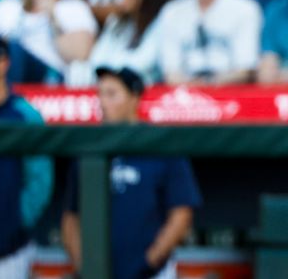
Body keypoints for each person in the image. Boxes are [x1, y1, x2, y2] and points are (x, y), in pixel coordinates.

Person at [62, 66, 202, 279]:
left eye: (112, 94)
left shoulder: (161, 144)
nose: (103, 102)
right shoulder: (89, 149)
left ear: (134, 97)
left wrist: (150, 260)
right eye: (100, 94)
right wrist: (85, 266)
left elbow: (181, 213)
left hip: (151, 274)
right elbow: (71, 217)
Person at [0, 35, 53, 279]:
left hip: (9, 252)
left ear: (3, 63)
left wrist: (17, 220)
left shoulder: (24, 115)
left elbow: (40, 181)